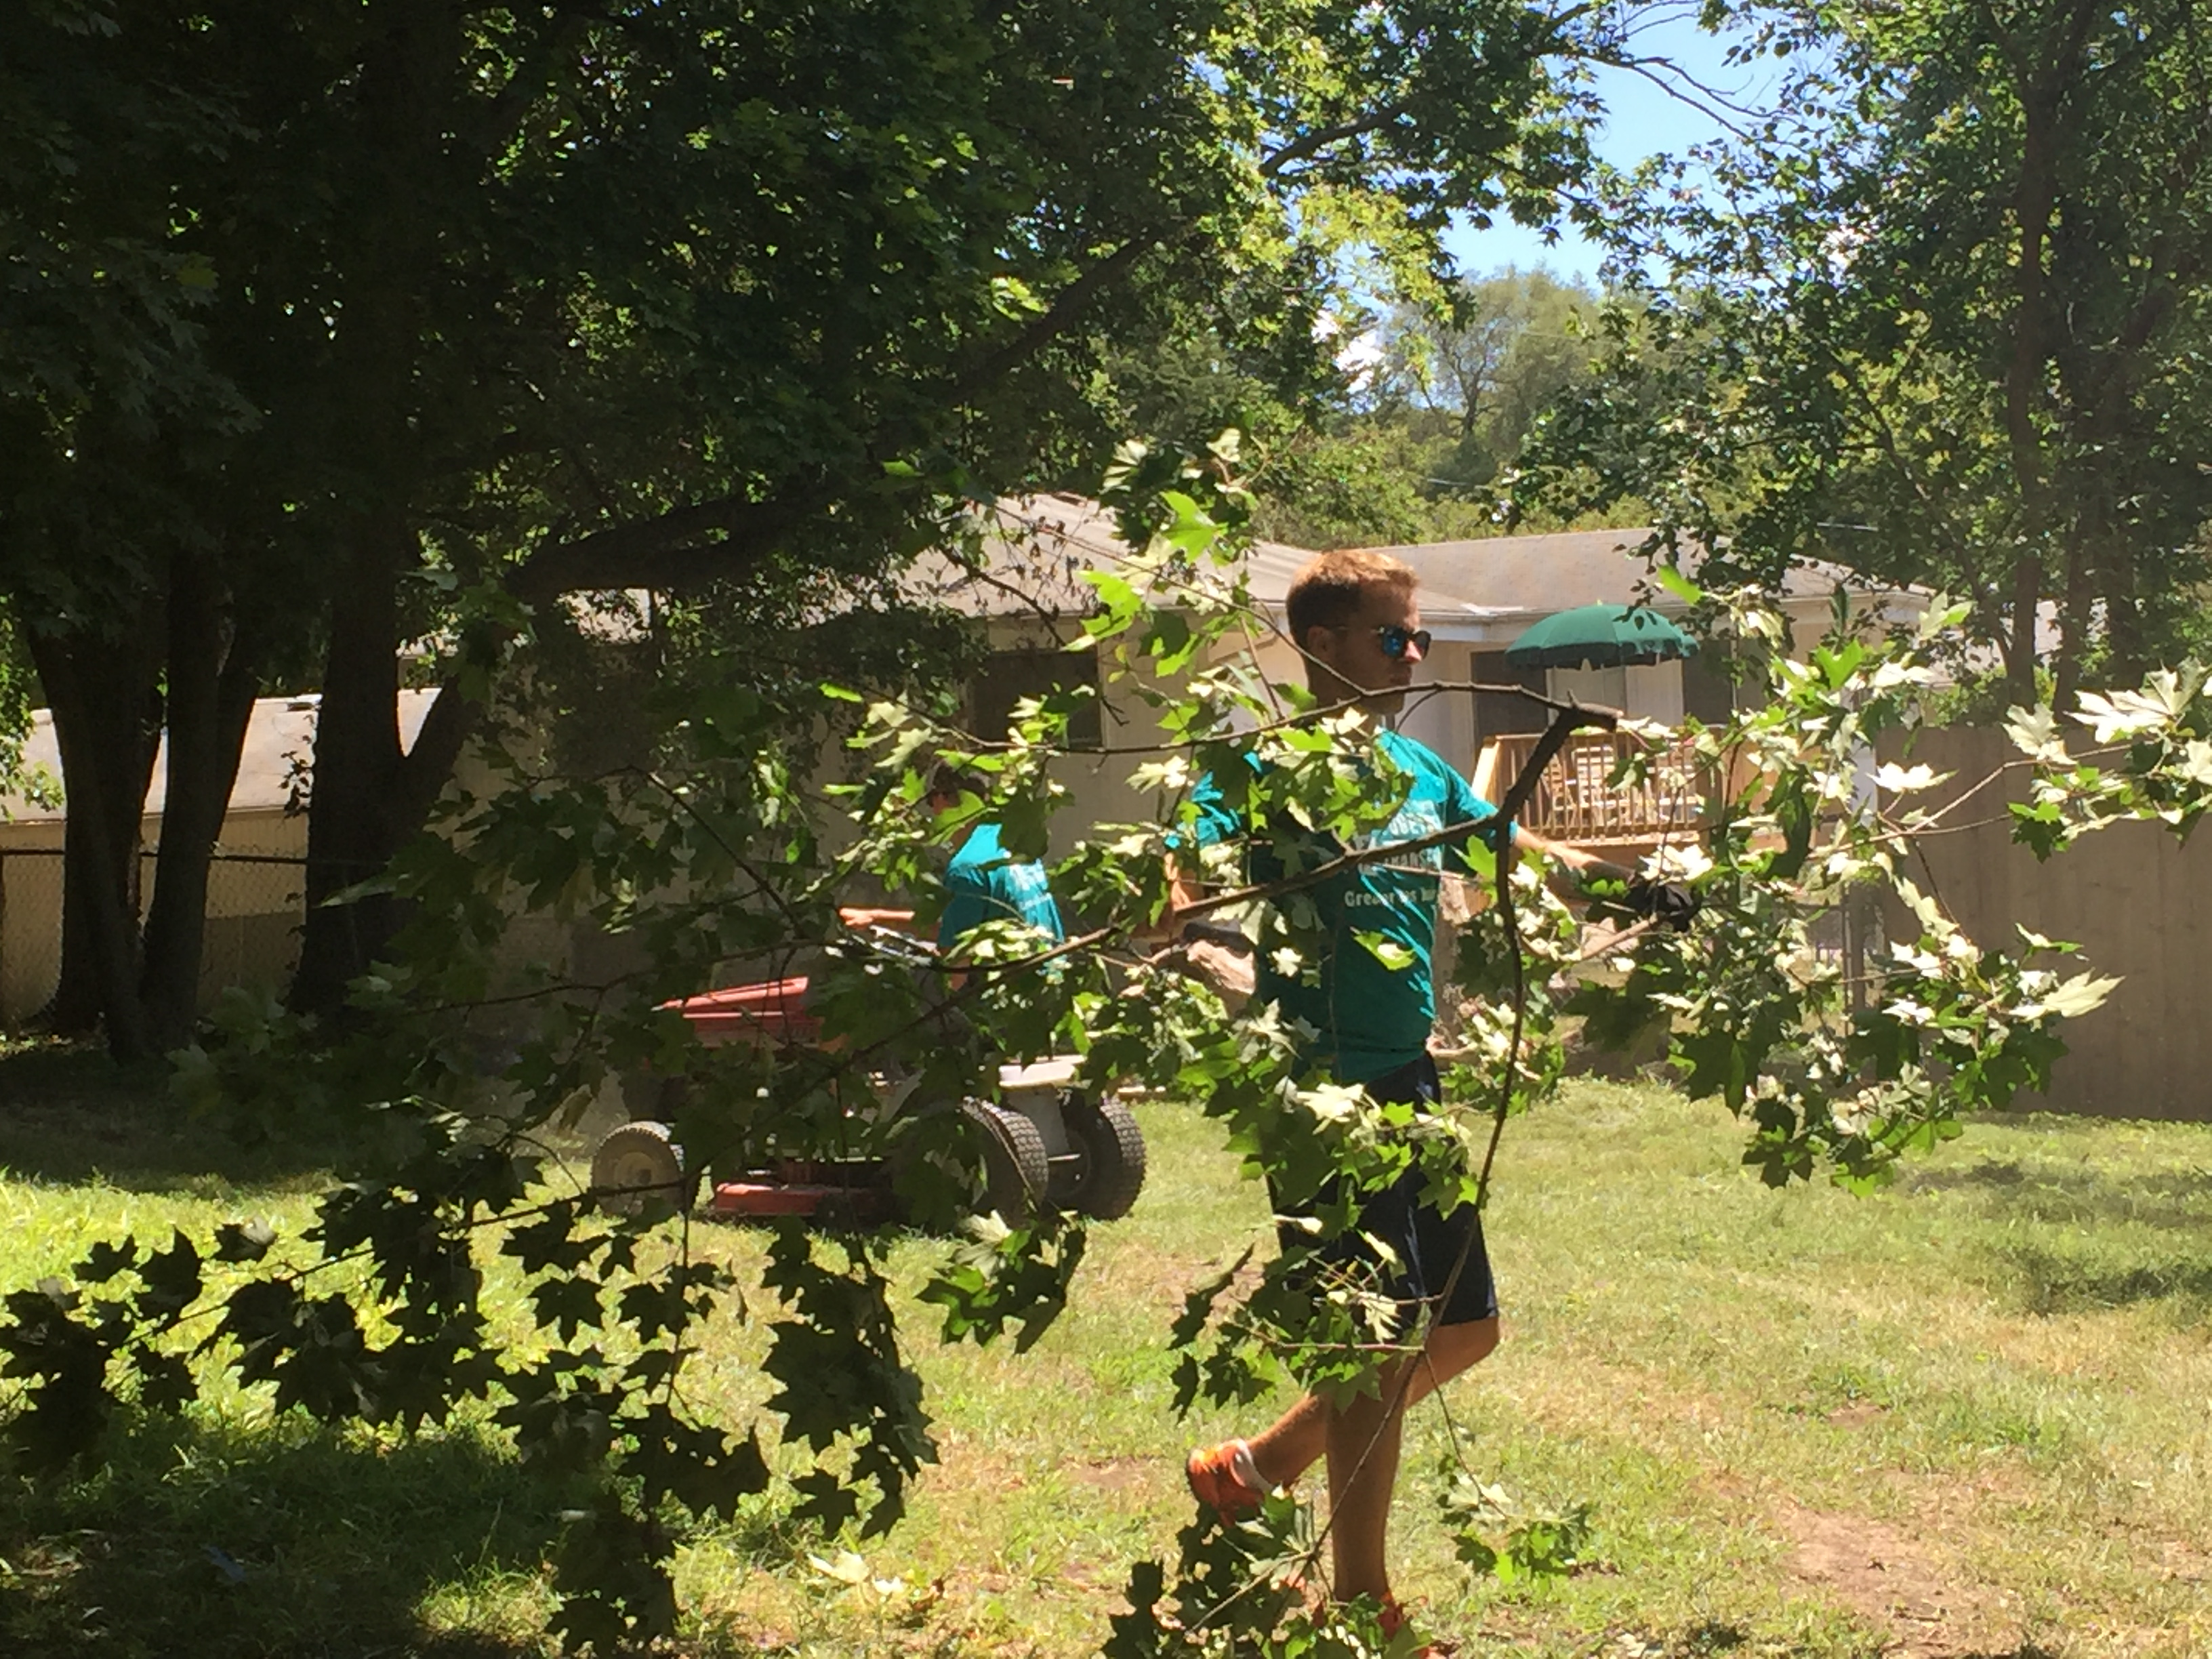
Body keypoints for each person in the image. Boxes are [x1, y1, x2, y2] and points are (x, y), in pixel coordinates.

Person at [1175, 548, 1645, 1648]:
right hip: (1322, 1095)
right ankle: (1358, 1604)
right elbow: (1183, 872)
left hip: (1408, 1080)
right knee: (1369, 1351)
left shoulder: (1412, 767)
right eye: (1394, 637)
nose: (1414, 655)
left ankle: (1257, 1465)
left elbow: (1508, 846)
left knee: (1466, 1327)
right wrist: (1203, 920)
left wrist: (1632, 889)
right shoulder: (1260, 767)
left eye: (1419, 637)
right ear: (1321, 644)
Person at [928, 764, 1065, 954]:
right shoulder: (1014, 842)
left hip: (1009, 972)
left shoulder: (965, 868)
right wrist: (886, 919)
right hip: (1051, 966)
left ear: (941, 799)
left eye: (931, 800)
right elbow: (960, 923)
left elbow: (956, 963)